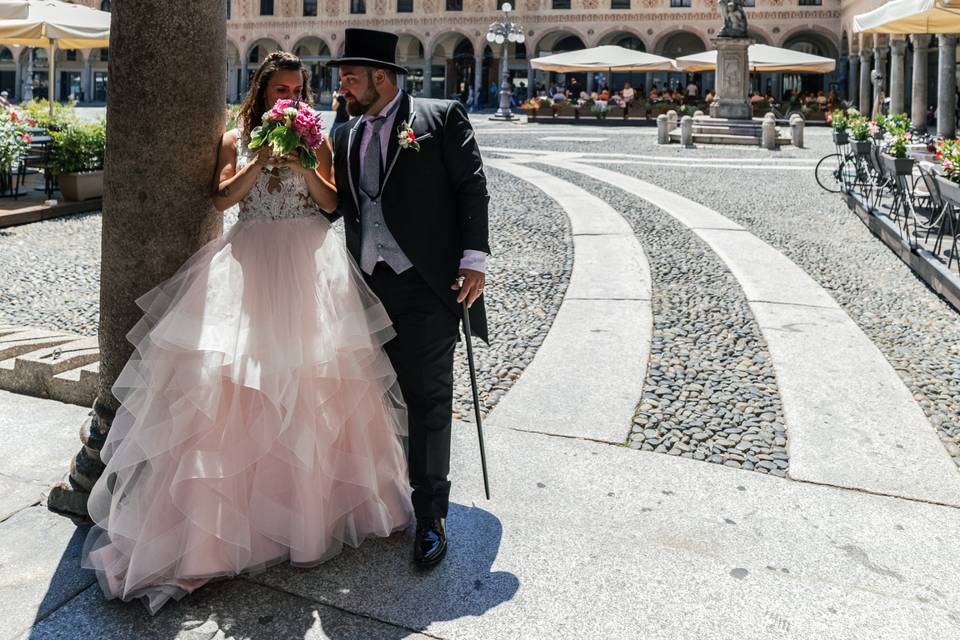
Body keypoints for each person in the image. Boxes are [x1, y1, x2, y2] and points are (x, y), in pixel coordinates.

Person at [81, 50, 414, 614]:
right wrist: (260, 158)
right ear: (260, 92)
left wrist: (306, 160)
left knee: (312, 382)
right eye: (279, 90)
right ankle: (226, 528)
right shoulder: (237, 138)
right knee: (238, 385)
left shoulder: (319, 136)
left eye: (296, 91)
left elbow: (332, 203)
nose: (289, 99)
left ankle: (309, 516)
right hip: (251, 260)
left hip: (309, 262)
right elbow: (221, 197)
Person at [328, 29, 489, 569]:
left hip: (426, 285)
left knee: (427, 399)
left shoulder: (440, 117)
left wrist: (474, 260)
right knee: (377, 396)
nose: (343, 86)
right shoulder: (346, 132)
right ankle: (390, 493)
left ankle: (431, 514)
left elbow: (472, 187)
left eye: (350, 76)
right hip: (366, 283)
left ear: (381, 76)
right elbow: (336, 205)